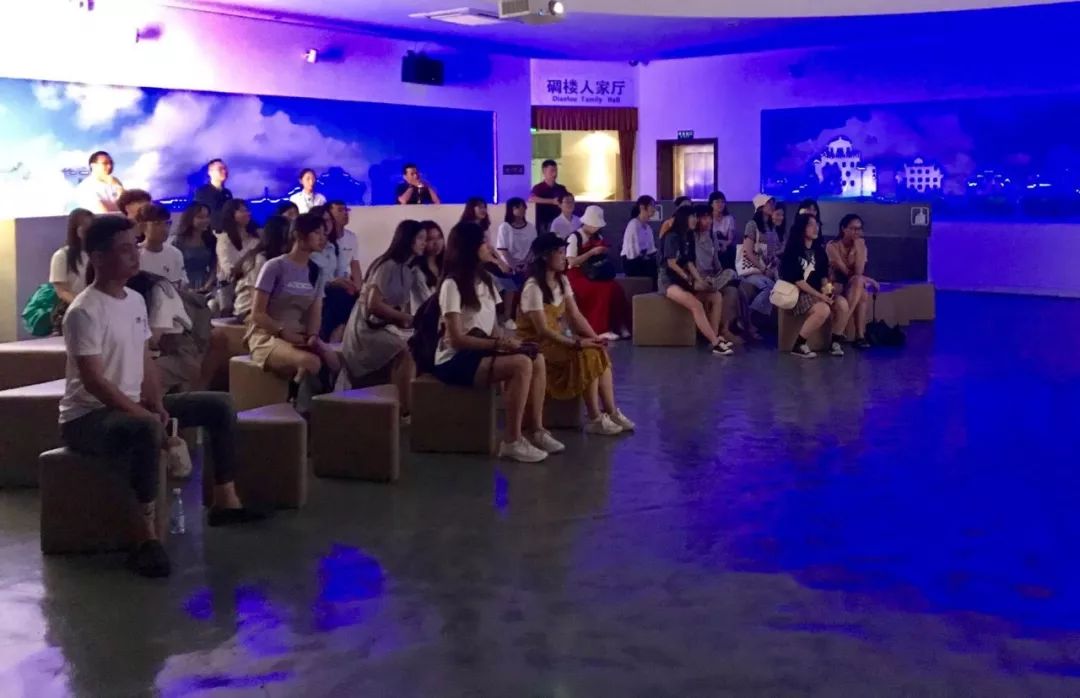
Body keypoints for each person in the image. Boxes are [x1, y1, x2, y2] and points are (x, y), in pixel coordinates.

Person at [58, 216, 264, 578]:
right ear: (99, 257)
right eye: (124, 250)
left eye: (133, 247)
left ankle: (225, 501)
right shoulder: (83, 311)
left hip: (129, 405)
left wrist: (154, 403)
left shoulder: (136, 300)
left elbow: (145, 361)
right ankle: (145, 538)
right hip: (87, 417)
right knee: (145, 430)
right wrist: (143, 414)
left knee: (218, 405)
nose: (134, 256)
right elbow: (94, 382)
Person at [432, 221, 557, 463]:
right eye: (484, 242)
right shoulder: (452, 285)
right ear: (470, 247)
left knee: (536, 357)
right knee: (521, 364)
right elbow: (456, 339)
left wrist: (511, 343)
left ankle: (537, 429)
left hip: (481, 349)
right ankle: (512, 440)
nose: (489, 247)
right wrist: (499, 345)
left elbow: (494, 327)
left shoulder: (487, 280)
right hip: (455, 359)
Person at [517, 234, 635, 436]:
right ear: (545, 256)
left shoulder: (562, 280)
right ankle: (594, 417)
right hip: (539, 345)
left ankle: (611, 412)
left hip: (556, 341)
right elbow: (543, 330)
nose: (564, 257)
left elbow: (575, 315)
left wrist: (594, 337)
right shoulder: (533, 287)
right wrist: (576, 343)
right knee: (586, 353)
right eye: (560, 252)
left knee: (597, 350)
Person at [246, 213, 340, 410]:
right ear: (298, 235)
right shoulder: (274, 266)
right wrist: (282, 332)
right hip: (268, 336)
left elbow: (315, 311)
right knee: (311, 363)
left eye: (324, 233)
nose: (322, 238)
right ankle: (298, 410)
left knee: (334, 362)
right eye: (317, 233)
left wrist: (313, 336)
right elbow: (257, 314)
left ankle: (321, 412)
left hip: (299, 335)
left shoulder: (316, 271)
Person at [339, 220, 427, 418]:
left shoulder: (408, 269)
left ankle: (399, 406)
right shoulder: (387, 266)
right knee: (405, 352)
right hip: (366, 329)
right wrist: (405, 318)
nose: (424, 243)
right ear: (408, 239)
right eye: (420, 238)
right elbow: (374, 305)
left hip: (383, 326)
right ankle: (404, 410)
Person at [127, 270, 229, 394]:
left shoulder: (160, 290)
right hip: (159, 352)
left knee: (137, 377)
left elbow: (153, 339)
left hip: (180, 353)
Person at [658, 207, 733, 356]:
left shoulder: (686, 237)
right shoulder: (672, 236)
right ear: (684, 218)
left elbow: (689, 262)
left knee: (716, 296)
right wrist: (689, 279)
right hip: (669, 281)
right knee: (696, 305)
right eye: (692, 217)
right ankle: (715, 343)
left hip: (684, 280)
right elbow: (672, 263)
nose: (695, 220)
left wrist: (699, 280)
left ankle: (714, 336)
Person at [780, 213, 852, 359]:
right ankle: (799, 344)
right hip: (799, 293)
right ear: (802, 227)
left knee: (842, 304)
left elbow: (824, 277)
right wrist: (820, 296)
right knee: (823, 309)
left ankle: (835, 342)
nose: (815, 228)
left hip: (818, 292)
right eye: (810, 224)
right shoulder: (793, 250)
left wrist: (828, 292)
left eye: (816, 224)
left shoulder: (819, 251)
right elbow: (798, 281)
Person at [565, 206, 631, 341]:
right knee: (601, 291)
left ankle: (619, 325)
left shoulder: (598, 236)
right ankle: (599, 329)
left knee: (616, 288)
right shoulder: (575, 237)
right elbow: (571, 261)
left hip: (595, 272)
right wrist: (591, 253)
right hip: (577, 274)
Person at [692, 204, 745, 344]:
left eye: (709, 218)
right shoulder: (691, 237)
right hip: (698, 277)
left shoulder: (712, 235)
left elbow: (715, 260)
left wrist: (720, 272)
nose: (708, 221)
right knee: (724, 285)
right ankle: (717, 333)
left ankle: (725, 330)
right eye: (704, 218)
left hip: (713, 276)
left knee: (733, 289)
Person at [826, 214, 878, 349]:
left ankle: (848, 332)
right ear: (843, 229)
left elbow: (859, 272)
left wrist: (859, 249)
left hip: (851, 285)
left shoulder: (861, 246)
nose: (857, 232)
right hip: (833, 285)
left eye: (859, 229)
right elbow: (845, 272)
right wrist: (869, 279)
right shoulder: (832, 246)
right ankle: (859, 336)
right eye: (853, 229)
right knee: (861, 290)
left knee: (860, 287)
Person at [310, 204, 360, 342]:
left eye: (329, 220)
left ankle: (341, 333)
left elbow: (342, 271)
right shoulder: (310, 248)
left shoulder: (333, 246)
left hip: (333, 289)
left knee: (354, 295)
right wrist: (332, 282)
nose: (327, 224)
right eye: (323, 221)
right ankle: (331, 337)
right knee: (337, 297)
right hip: (316, 291)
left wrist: (351, 284)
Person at [234, 215, 291, 321]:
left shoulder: (284, 259)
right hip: (248, 309)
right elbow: (255, 293)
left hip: (272, 307)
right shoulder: (260, 260)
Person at [495, 197, 538, 329]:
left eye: (523, 206)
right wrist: (513, 265)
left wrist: (525, 262)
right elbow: (503, 249)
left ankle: (528, 316)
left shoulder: (530, 227)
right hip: (509, 264)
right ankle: (507, 317)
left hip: (526, 263)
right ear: (511, 209)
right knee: (510, 284)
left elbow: (533, 248)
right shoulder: (505, 227)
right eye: (518, 207)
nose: (522, 209)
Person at [737, 195, 781, 318]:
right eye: (769, 203)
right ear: (761, 206)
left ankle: (762, 319)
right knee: (769, 287)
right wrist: (763, 269)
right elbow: (748, 251)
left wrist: (773, 263)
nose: (772, 206)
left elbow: (772, 253)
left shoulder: (771, 227)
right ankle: (751, 316)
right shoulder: (752, 225)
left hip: (767, 268)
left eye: (772, 203)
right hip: (752, 270)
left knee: (778, 286)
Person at [50, 208, 94, 306]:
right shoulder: (62, 255)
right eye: (84, 226)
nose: (89, 231)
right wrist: (81, 305)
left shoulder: (99, 253)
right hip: (74, 308)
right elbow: (62, 291)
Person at [136, 204, 188, 286]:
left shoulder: (175, 253)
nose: (164, 229)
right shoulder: (135, 255)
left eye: (167, 223)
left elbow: (182, 282)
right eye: (157, 224)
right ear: (142, 226)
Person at [170, 203, 216, 293]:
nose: (205, 220)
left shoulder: (211, 240)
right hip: (184, 286)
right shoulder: (178, 241)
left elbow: (214, 266)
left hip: (207, 285)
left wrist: (208, 285)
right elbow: (174, 269)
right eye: (200, 217)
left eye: (207, 216)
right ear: (189, 218)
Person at [621, 195, 658, 287]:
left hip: (643, 260)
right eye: (651, 206)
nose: (654, 209)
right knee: (653, 269)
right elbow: (632, 251)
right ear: (642, 207)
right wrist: (644, 258)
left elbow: (651, 249)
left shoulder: (648, 228)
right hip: (632, 262)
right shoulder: (633, 224)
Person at [411, 220, 445, 307]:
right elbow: (427, 302)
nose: (436, 243)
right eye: (430, 239)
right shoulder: (417, 271)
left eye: (439, 237)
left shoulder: (446, 265)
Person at [529, 159, 568, 234]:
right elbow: (532, 199)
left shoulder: (561, 188)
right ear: (544, 171)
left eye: (556, 170)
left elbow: (567, 200)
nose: (555, 174)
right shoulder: (538, 188)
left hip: (559, 222)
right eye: (552, 171)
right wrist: (552, 201)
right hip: (543, 223)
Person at [194, 159, 234, 230]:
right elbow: (211, 213)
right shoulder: (203, 192)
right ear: (210, 172)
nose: (224, 171)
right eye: (220, 169)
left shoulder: (227, 192)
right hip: (213, 231)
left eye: (225, 168)